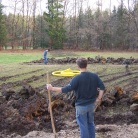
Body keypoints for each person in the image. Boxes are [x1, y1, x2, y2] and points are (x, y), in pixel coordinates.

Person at [47, 58, 105, 138]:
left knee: (83, 126)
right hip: (91, 105)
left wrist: (52, 88)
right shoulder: (94, 76)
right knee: (90, 123)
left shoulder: (76, 78)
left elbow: (65, 89)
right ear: (86, 65)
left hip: (81, 106)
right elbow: (102, 87)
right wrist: (99, 98)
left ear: (78, 66)